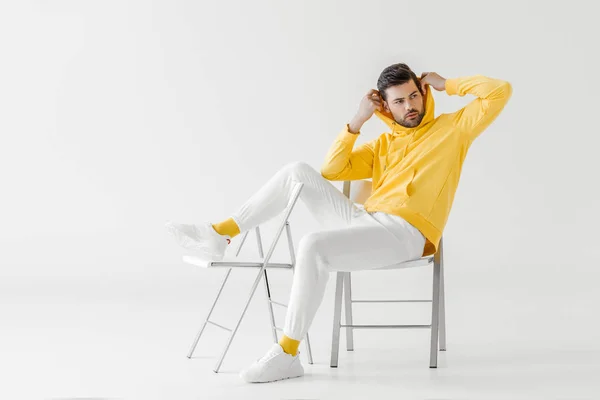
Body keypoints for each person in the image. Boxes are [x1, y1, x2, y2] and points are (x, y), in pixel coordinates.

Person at [165, 63, 512, 383]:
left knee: (312, 245)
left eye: (414, 96)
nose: (410, 106)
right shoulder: (383, 144)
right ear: (386, 108)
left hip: (407, 233)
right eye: (399, 101)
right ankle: (221, 234)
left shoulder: (452, 129)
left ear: (423, 94)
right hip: (366, 221)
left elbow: (500, 91)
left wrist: (446, 83)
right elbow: (333, 170)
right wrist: (357, 122)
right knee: (297, 171)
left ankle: (287, 353)